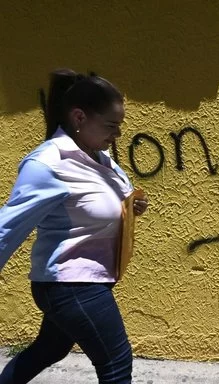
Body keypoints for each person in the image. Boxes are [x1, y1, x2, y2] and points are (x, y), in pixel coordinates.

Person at [0, 69, 148, 384]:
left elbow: (103, 199)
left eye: (120, 126)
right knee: (116, 363)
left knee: (49, 349)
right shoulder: (48, 164)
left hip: (83, 281)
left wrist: (130, 207)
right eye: (111, 126)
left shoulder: (98, 157)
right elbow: (8, 227)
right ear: (79, 117)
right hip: (71, 284)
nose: (117, 135)